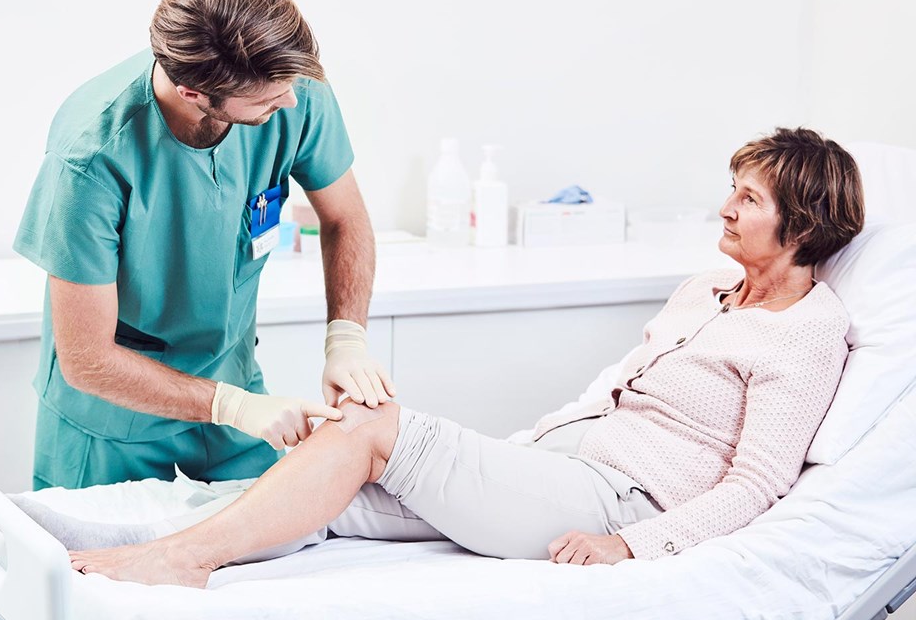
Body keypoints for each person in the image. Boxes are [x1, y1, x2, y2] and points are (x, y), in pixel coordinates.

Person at [50, 127, 864, 586]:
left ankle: (178, 561)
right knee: (327, 491)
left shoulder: (806, 330)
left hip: (624, 502)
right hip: (559, 463)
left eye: (749, 197)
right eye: (734, 186)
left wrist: (635, 547)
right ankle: (130, 534)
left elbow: (757, 486)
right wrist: (528, 451)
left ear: (804, 220)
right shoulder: (707, 289)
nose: (725, 205)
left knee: (371, 425)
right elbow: (612, 393)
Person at [13, 0, 394, 490]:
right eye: (267, 100)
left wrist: (345, 340)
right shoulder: (92, 156)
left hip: (233, 382)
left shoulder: (290, 87)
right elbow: (87, 359)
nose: (288, 104)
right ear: (193, 91)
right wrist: (228, 406)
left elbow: (344, 217)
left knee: (269, 541)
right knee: (94, 564)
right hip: (110, 413)